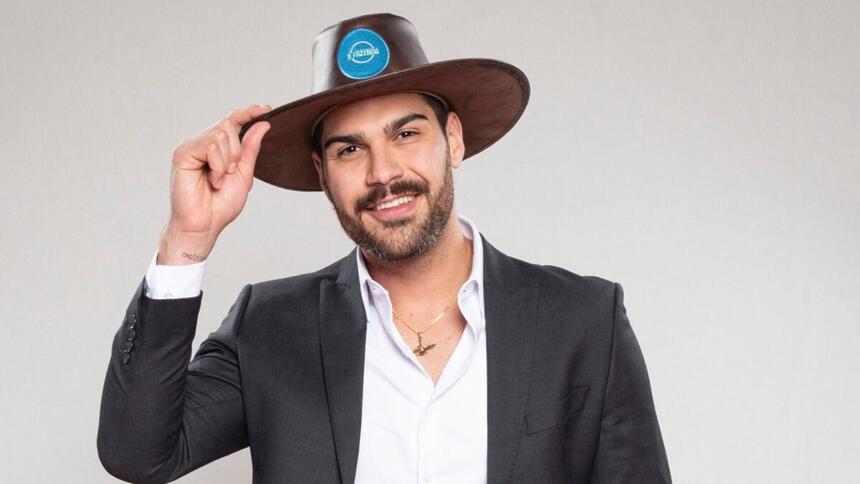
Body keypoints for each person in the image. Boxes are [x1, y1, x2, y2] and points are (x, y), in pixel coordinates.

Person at [97, 12, 671, 484]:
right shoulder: (269, 327)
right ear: (323, 173)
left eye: (405, 133)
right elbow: (138, 453)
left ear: (453, 139)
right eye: (350, 150)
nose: (383, 173)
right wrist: (188, 239)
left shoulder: (583, 320)